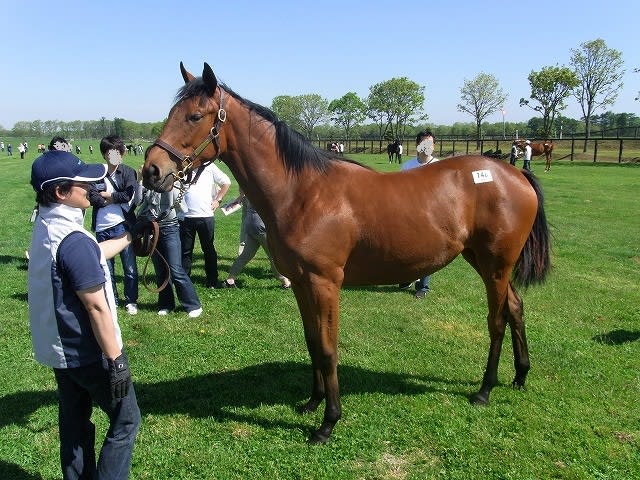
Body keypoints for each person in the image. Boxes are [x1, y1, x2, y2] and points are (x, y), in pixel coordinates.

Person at [27, 149, 141, 479]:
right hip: (90, 353)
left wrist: (130, 234)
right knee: (126, 420)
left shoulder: (50, 225)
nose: (92, 188)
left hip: (61, 352)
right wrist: (117, 360)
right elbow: (95, 306)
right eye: (84, 184)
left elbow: (92, 253)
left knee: (75, 423)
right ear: (61, 192)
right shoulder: (72, 239)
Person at [88, 135, 140, 315]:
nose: (115, 157)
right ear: (104, 154)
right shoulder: (96, 174)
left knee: (130, 267)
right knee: (106, 268)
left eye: (118, 152)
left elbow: (128, 195)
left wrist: (108, 197)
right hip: (102, 227)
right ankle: (112, 300)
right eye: (111, 153)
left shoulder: (127, 172)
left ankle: (131, 301)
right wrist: (108, 200)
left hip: (122, 225)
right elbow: (93, 197)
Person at [136, 181, 203, 317]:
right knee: (160, 270)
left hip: (170, 228)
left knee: (175, 269)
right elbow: (138, 201)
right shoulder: (147, 183)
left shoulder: (172, 182)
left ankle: (193, 305)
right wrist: (140, 181)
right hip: (152, 229)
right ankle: (166, 304)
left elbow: (180, 206)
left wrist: (171, 185)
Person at [221, 191, 291, 289]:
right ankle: (285, 282)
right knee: (274, 256)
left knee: (245, 256)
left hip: (250, 225)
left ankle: (229, 281)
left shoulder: (250, 187)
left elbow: (240, 198)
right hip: (261, 226)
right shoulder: (264, 190)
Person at [399, 130, 439, 299]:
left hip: (431, 217)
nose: (428, 146)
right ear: (418, 145)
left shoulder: (439, 166)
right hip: (409, 215)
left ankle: (423, 286)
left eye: (431, 143)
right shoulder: (407, 167)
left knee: (426, 251)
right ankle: (406, 278)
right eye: (424, 143)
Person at [179, 162, 231, 288]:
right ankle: (185, 280)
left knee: (208, 250)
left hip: (205, 216)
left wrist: (218, 200)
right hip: (185, 216)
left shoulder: (209, 166)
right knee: (185, 250)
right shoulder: (181, 166)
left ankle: (212, 280)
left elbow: (226, 182)